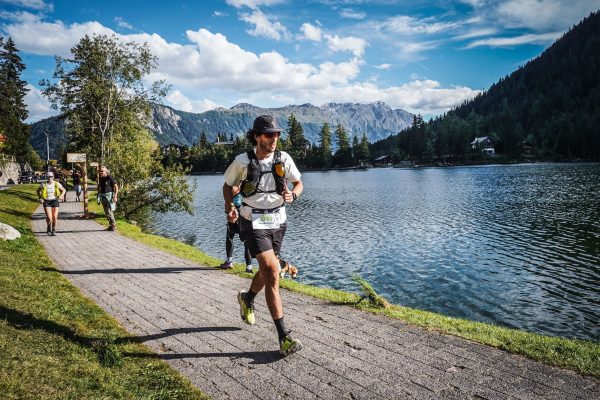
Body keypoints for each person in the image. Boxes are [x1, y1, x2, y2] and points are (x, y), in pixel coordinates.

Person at [223, 115, 304, 357]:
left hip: (278, 221)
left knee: (268, 269)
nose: (274, 138)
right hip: (252, 221)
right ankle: (284, 337)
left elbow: (298, 183)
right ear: (256, 136)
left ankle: (247, 298)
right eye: (269, 134)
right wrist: (230, 208)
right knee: (271, 270)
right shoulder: (242, 162)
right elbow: (227, 186)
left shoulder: (283, 158)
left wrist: (294, 195)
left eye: (277, 134)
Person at [219, 192, 254, 273]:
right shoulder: (247, 184)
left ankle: (229, 262)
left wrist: (228, 209)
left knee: (229, 237)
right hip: (245, 213)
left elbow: (229, 198)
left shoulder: (234, 184)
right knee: (246, 241)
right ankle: (249, 268)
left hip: (235, 212)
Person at [36, 171, 66, 235]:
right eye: (48, 177)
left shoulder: (56, 183)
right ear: (47, 177)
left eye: (51, 177)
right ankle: (49, 227)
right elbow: (38, 191)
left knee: (54, 217)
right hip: (46, 201)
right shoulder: (43, 184)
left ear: (53, 177)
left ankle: (54, 229)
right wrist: (40, 198)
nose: (50, 178)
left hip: (55, 201)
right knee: (49, 218)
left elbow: (64, 190)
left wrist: (61, 195)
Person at [97, 165, 118, 231]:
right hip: (103, 197)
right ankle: (111, 226)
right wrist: (98, 195)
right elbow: (100, 187)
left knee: (109, 211)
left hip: (109, 197)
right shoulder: (100, 178)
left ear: (106, 171)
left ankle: (113, 225)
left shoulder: (109, 178)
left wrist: (115, 196)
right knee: (106, 212)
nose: (100, 172)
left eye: (102, 171)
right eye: (99, 171)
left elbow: (116, 187)